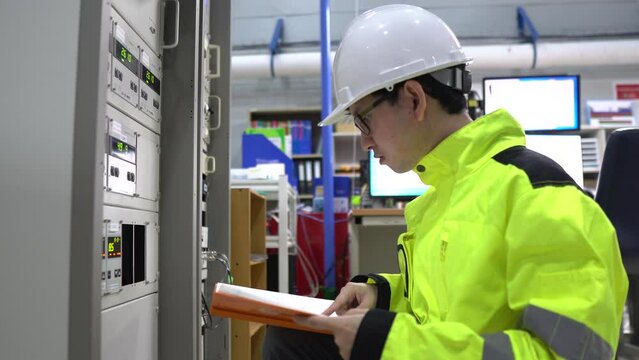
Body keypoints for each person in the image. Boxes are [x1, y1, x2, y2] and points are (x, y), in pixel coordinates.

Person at [263, 4, 628, 359]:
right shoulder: (446, 197)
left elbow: (569, 354)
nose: (364, 141)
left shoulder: (542, 199)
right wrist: (387, 295)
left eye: (363, 120)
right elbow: (448, 308)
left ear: (414, 99)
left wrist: (392, 344)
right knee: (289, 334)